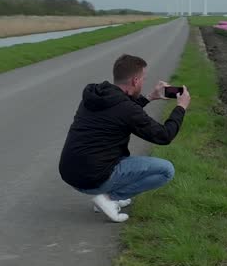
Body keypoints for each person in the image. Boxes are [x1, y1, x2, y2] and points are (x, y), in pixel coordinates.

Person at [58, 53, 191, 222]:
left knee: (118, 154)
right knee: (166, 170)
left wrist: (150, 97)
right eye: (143, 78)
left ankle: (106, 197)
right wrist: (181, 107)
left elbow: (120, 111)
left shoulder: (95, 95)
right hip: (94, 178)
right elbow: (164, 136)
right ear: (135, 81)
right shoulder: (126, 109)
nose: (143, 82)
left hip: (71, 173)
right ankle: (109, 199)